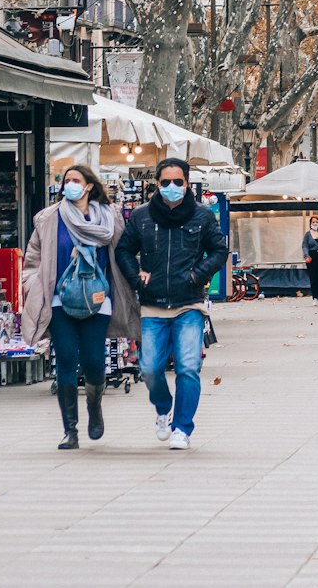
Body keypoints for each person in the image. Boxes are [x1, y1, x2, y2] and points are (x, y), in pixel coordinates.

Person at [22, 164, 139, 450]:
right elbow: (33, 257)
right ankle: (70, 430)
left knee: (94, 362)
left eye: (75, 180)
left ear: (89, 186)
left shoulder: (109, 218)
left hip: (98, 298)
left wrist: (135, 279)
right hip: (60, 299)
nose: (69, 185)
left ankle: (95, 406)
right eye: (66, 181)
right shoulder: (49, 218)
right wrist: (32, 284)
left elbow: (121, 252)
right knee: (65, 359)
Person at [115, 157, 228, 449]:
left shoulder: (202, 217)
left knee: (188, 368)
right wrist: (137, 277)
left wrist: (197, 274)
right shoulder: (141, 217)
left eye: (178, 182)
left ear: (188, 183)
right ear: (157, 184)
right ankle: (163, 408)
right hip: (152, 306)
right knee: (150, 369)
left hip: (188, 304)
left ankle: (182, 428)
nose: (172, 187)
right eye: (166, 182)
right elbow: (124, 251)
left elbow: (219, 251)